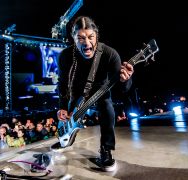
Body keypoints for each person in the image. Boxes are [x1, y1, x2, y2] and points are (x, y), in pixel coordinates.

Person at [57, 16, 133, 171]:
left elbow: (123, 90)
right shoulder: (65, 56)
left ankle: (106, 149)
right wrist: (62, 107)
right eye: (81, 38)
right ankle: (65, 135)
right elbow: (63, 83)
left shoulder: (110, 55)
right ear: (73, 38)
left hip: (101, 92)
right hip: (77, 94)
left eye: (91, 37)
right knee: (68, 119)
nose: (86, 43)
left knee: (107, 109)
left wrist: (126, 80)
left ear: (97, 36)